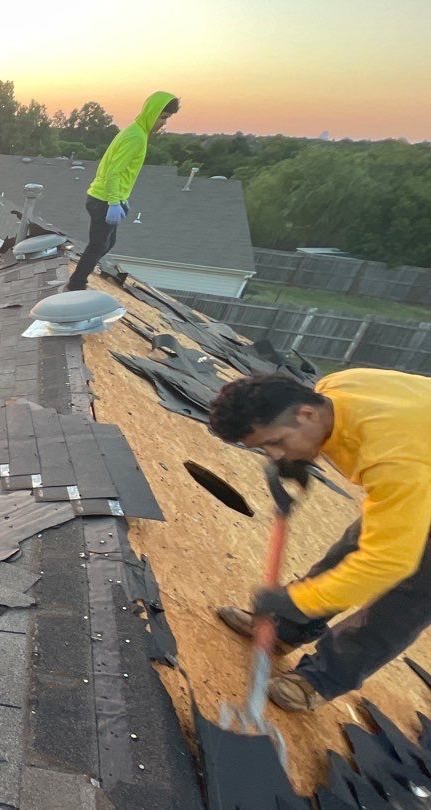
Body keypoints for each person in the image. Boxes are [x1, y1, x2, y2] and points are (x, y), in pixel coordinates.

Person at [206, 370, 431, 711]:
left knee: (410, 592)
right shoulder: (335, 388)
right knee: (356, 544)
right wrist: (301, 456)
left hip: (412, 463)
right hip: (418, 461)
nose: (275, 456)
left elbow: (391, 561)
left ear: (306, 415)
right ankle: (286, 629)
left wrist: (299, 599)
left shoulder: (393, 459)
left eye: (277, 442)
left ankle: (322, 678)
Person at [65, 92, 179, 291]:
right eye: (162, 117)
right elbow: (113, 172)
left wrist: (121, 198)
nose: (163, 123)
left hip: (106, 197)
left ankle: (83, 272)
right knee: (98, 245)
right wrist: (114, 201)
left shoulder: (136, 133)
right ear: (151, 113)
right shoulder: (135, 137)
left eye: (166, 118)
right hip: (103, 199)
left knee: (108, 243)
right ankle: (76, 285)